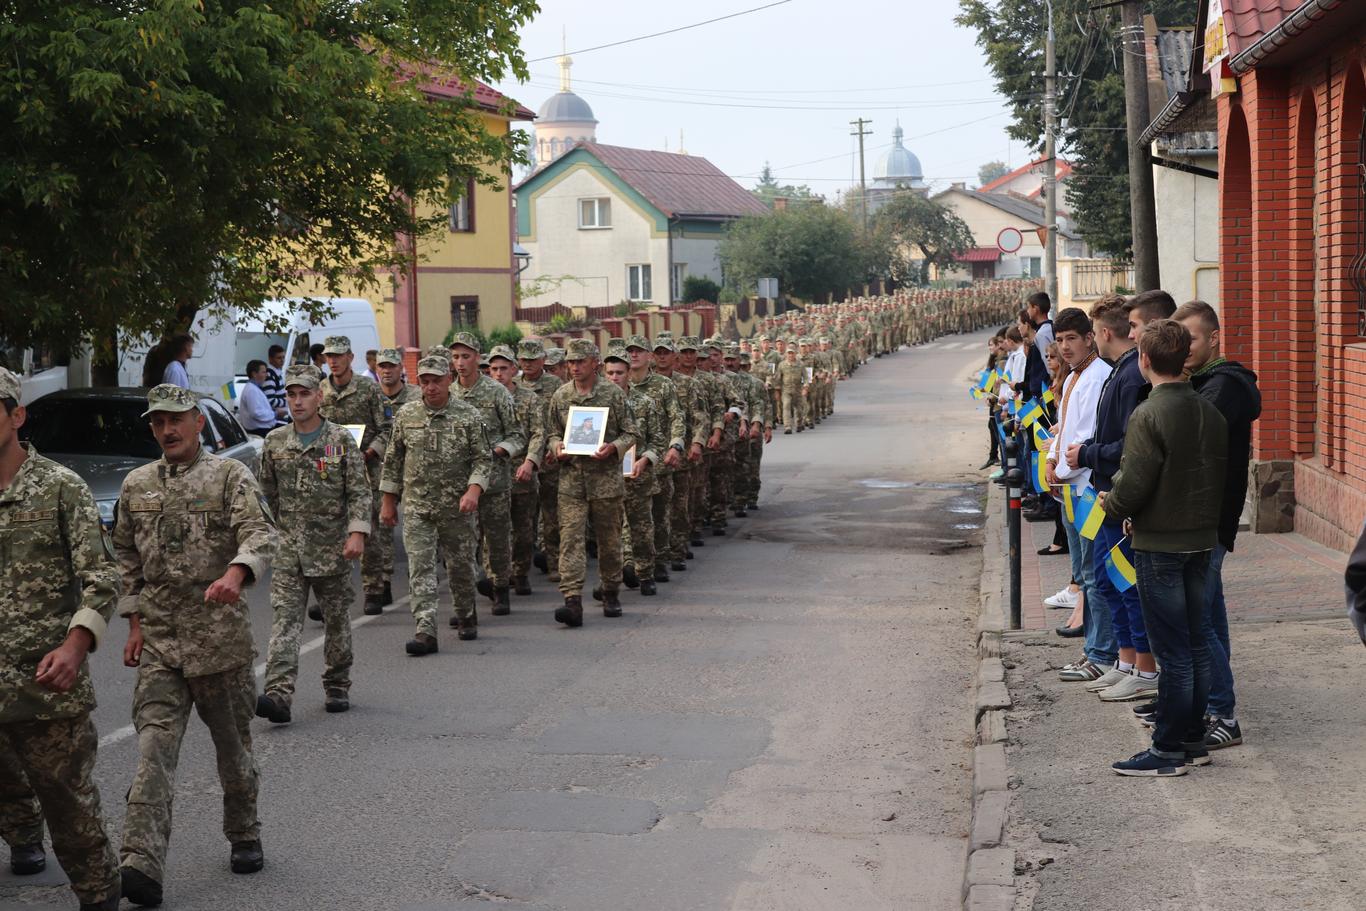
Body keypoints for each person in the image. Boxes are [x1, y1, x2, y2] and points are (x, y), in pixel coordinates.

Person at [114, 384, 278, 904]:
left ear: (197, 422)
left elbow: (260, 534)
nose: (167, 430)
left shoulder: (229, 476)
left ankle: (244, 832)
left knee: (233, 749)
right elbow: (125, 559)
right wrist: (134, 623)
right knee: (153, 751)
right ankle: (139, 861)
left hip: (219, 642)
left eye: (176, 420)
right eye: (158, 422)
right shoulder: (137, 484)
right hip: (161, 644)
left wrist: (236, 573)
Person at [0, 367, 121, 911]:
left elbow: (102, 577)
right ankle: (22, 836)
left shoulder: (60, 487)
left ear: (17, 415)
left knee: (69, 805)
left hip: (45, 684)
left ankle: (99, 894)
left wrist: (76, 645)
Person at [1101, 320, 1226, 777]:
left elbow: (1135, 481)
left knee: (1172, 650)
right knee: (1195, 643)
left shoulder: (1149, 413)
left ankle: (1168, 748)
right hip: (1201, 539)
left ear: (1145, 360)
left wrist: (1112, 504)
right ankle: (1192, 738)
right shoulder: (1209, 410)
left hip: (1160, 544)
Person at [256, 365, 371, 722]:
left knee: (337, 622)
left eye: (304, 394)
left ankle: (337, 684)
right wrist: (267, 538)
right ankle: (278, 694)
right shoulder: (275, 442)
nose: (297, 401)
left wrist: (356, 532)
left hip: (331, 549)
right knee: (284, 622)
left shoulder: (340, 439)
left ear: (319, 397)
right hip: (289, 551)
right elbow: (266, 496)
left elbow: (358, 491)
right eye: (291, 394)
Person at [1175, 299, 1261, 750]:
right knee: (1209, 614)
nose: (1183, 348)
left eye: (1190, 339)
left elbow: (1187, 442)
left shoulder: (1224, 385)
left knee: (1199, 620)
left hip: (1208, 519)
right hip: (1202, 519)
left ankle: (1223, 713)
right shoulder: (1203, 381)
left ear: (1214, 338)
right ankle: (1210, 704)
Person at [1066, 295, 1160, 702]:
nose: (1136, 336)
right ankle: (1125, 660)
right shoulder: (1121, 371)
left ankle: (1145, 668)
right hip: (1104, 494)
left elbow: (1127, 445)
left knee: (1126, 584)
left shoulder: (1130, 376)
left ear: (1103, 333)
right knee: (1109, 581)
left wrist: (1087, 454)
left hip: (1116, 494)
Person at [379, 356, 491, 656]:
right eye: (425, 381)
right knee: (420, 568)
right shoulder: (407, 414)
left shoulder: (468, 415)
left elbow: (483, 459)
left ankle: (466, 612)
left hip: (457, 508)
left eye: (436, 381)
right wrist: (388, 501)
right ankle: (425, 629)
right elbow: (393, 459)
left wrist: (474, 490)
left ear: (448, 380)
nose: (430, 387)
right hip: (418, 506)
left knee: (460, 566)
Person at [545, 339, 639, 626]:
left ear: (595, 363)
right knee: (570, 539)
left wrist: (613, 448)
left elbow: (631, 432)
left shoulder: (612, 394)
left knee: (609, 540)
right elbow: (551, 433)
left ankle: (610, 591)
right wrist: (557, 447)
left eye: (580, 361)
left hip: (605, 480)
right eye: (571, 362)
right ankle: (572, 600)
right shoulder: (561, 396)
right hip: (572, 481)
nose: (574, 367)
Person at [1046, 308, 1114, 683]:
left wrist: (1060, 467)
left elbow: (1086, 436)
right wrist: (1051, 458)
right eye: (1059, 340)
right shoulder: (1074, 375)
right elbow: (1065, 428)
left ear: (1090, 338)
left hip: (1087, 487)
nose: (1065, 347)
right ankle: (1094, 648)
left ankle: (1101, 652)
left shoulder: (1098, 375)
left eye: (1071, 338)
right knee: (1085, 572)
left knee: (1094, 573)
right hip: (1072, 488)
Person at [448, 332, 525, 623]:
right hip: (458, 483)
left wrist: (500, 450)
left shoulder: (496, 393)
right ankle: (465, 601)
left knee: (496, 538)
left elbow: (517, 435)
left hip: (493, 481)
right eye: (456, 357)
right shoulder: (448, 393)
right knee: (461, 543)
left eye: (466, 356)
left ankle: (501, 587)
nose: (460, 362)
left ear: (477, 358)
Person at [319, 336, 391, 616]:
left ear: (350, 357)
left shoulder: (368, 389)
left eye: (338, 356)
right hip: (331, 470)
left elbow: (387, 428)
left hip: (366, 469)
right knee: (331, 533)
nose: (333, 361)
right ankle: (333, 595)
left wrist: (371, 452)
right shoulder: (320, 390)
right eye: (329, 356)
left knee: (366, 530)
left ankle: (374, 589)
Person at [489, 345, 545, 597]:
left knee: (523, 531)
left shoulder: (529, 398)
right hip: (492, 475)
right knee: (494, 530)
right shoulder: (485, 398)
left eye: (503, 368)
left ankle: (520, 572)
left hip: (522, 473)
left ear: (514, 369)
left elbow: (538, 433)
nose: (498, 374)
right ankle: (497, 578)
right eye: (494, 369)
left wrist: (530, 462)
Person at [653, 337, 708, 572]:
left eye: (666, 352)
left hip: (681, 457)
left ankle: (677, 551)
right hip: (653, 457)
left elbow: (700, 417)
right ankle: (658, 555)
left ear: (674, 356)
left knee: (679, 507)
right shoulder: (645, 383)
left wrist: (697, 443)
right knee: (656, 508)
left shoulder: (688, 384)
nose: (662, 356)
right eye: (658, 353)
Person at [518, 339, 564, 583]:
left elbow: (563, 417)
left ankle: (554, 561)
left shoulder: (555, 384)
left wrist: (557, 445)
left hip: (549, 457)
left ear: (543, 360)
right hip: (522, 458)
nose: (527, 364)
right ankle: (520, 567)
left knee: (551, 514)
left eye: (532, 359)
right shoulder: (513, 385)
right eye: (524, 359)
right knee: (524, 517)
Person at [238, 359, 282, 436]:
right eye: (264, 372)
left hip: (264, 429)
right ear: (254, 374)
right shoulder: (251, 390)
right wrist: (275, 414)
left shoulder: (254, 388)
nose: (266, 375)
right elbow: (256, 413)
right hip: (260, 431)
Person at [263, 345, 287, 414]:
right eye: (279, 358)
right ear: (270, 359)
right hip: (276, 416)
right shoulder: (269, 375)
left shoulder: (277, 372)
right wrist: (288, 401)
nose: (282, 360)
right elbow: (271, 401)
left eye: (283, 357)